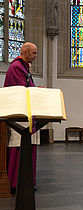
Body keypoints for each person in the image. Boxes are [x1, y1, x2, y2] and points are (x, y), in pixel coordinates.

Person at [3, 42, 39, 194]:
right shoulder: (17, 67)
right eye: (34, 53)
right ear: (25, 52)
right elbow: (20, 90)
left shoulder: (24, 67)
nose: (36, 56)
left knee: (27, 147)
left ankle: (26, 181)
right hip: (19, 114)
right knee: (19, 147)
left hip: (26, 113)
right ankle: (16, 182)